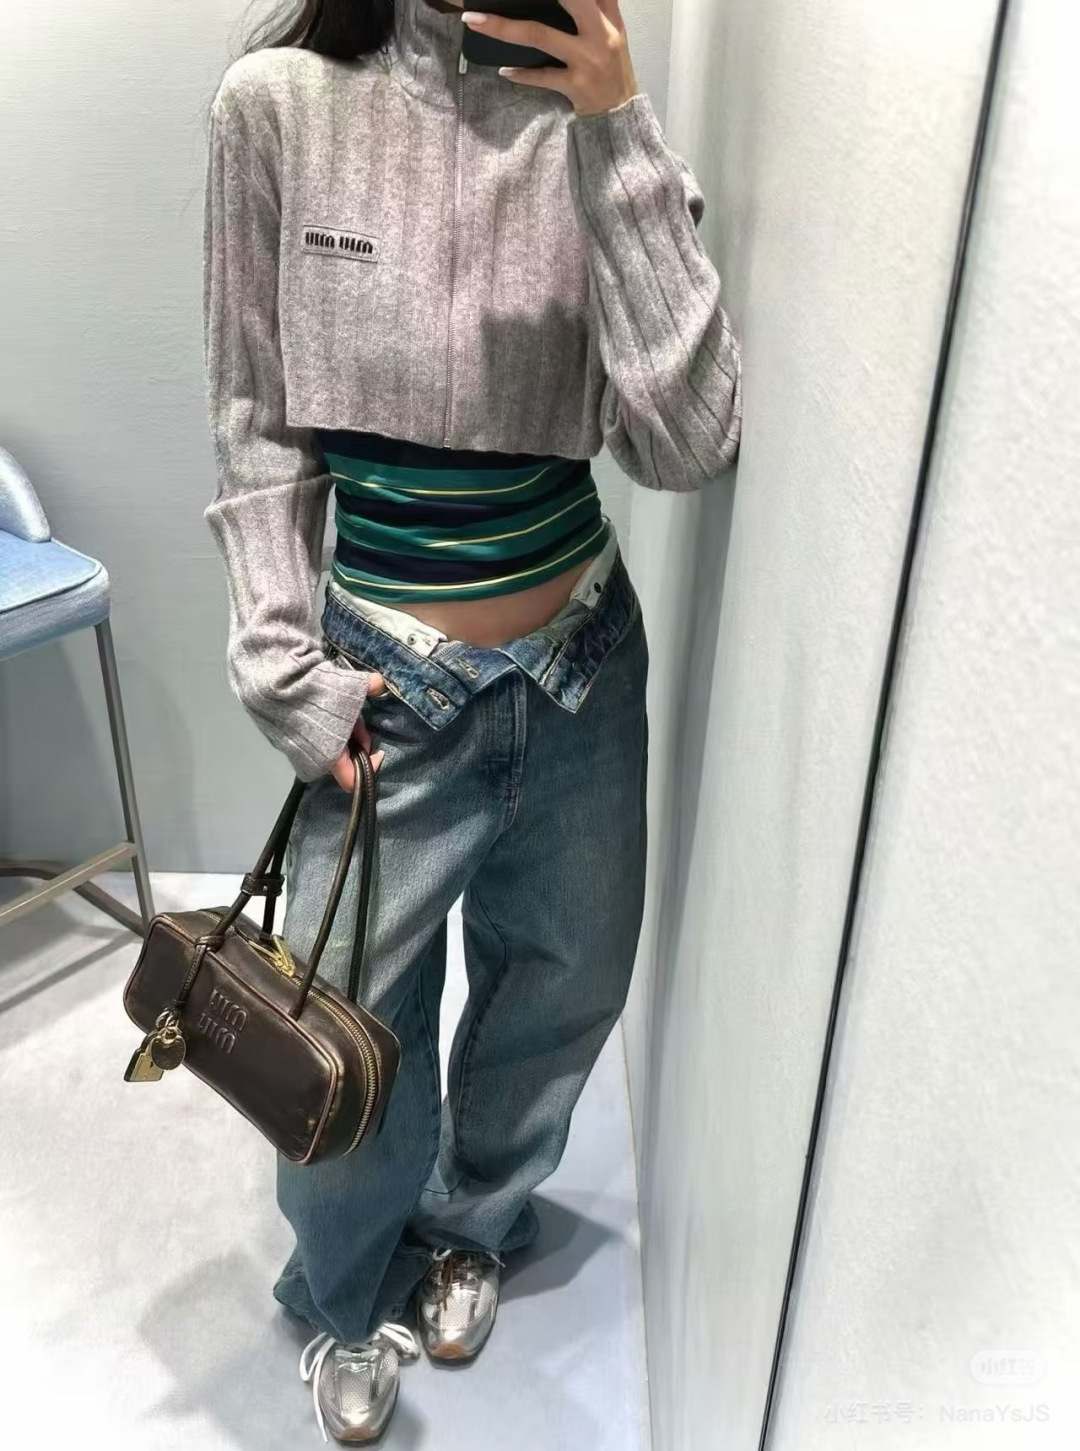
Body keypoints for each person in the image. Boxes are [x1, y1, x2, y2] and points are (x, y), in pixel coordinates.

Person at [202, 0, 741, 1439]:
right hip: (385, 690)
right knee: (341, 1028)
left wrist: (614, 127)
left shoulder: (593, 116)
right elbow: (255, 419)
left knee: (562, 988)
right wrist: (284, 666)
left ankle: (470, 1226)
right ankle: (342, 1292)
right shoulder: (278, 105)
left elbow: (690, 437)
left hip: (582, 668)